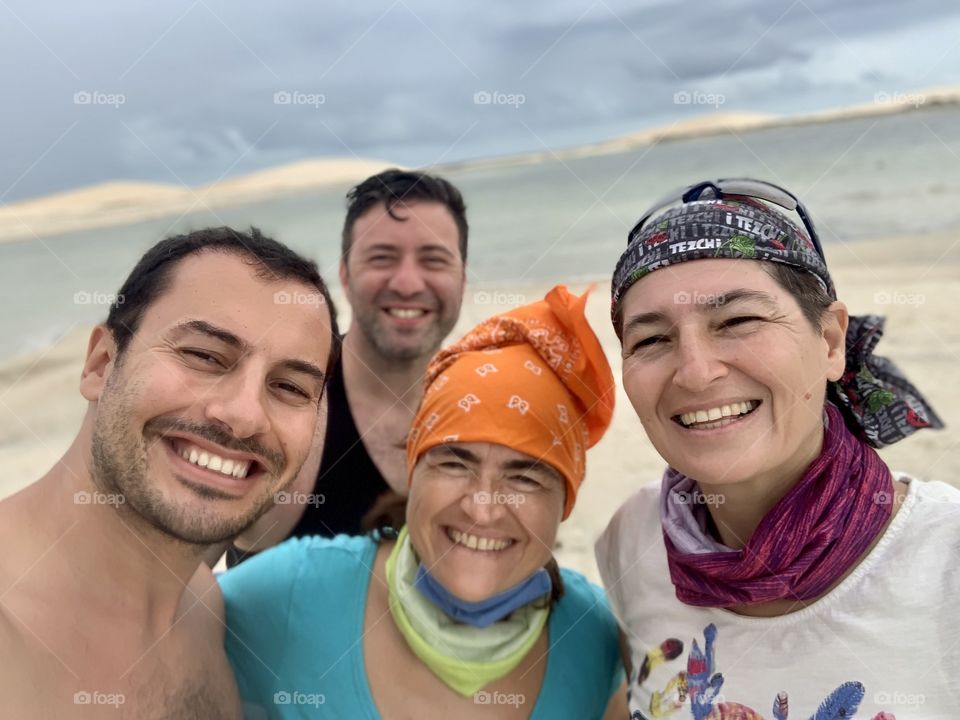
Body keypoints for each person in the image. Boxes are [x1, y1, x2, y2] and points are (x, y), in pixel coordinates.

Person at [594, 179, 957, 719]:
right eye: (651, 340)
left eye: (738, 321)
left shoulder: (944, 561)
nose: (695, 372)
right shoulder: (635, 538)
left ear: (830, 342)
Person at [220, 286, 627, 719]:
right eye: (455, 463)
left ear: (564, 502)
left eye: (524, 477)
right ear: (412, 472)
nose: (483, 508)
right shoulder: (286, 594)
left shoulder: (595, 636)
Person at [0, 227, 339, 718]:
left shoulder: (206, 610)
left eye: (288, 386)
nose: (245, 415)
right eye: (204, 355)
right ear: (100, 364)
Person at [227, 169, 468, 566]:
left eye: (434, 260)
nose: (408, 282)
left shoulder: (484, 406)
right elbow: (165, 573)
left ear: (462, 277)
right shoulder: (282, 403)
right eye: (382, 258)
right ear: (344, 273)